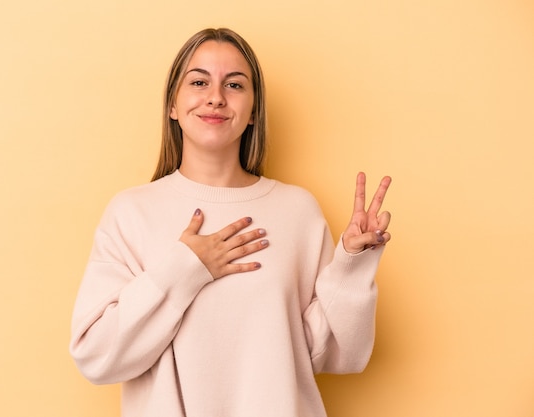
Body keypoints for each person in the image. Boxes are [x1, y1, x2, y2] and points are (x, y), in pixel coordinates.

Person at [69, 27, 392, 417]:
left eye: (234, 85)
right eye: (199, 81)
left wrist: (351, 266)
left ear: (254, 109)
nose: (216, 97)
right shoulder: (131, 212)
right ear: (173, 104)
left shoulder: (297, 210)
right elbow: (96, 355)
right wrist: (186, 268)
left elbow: (341, 355)